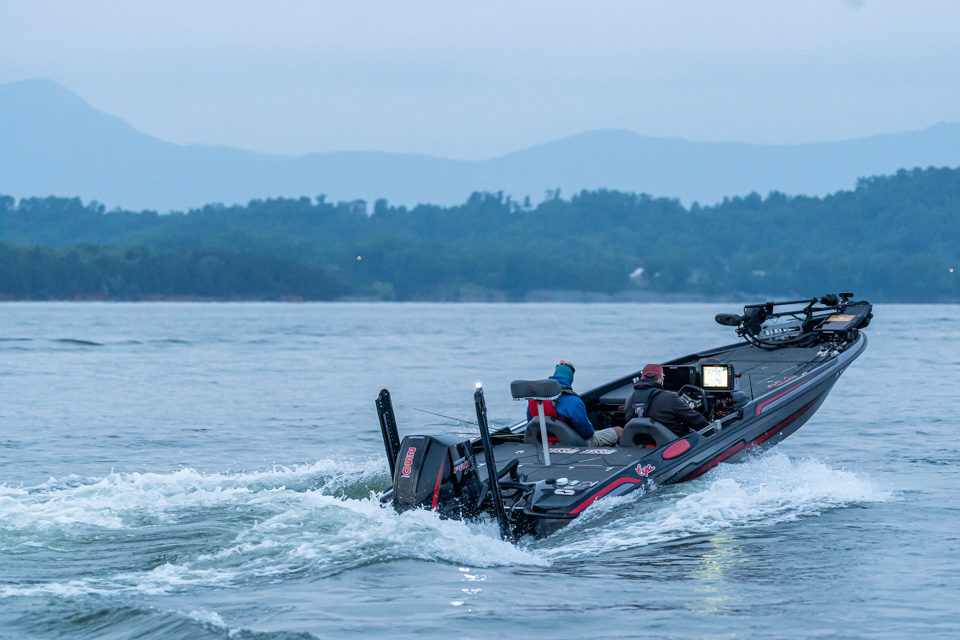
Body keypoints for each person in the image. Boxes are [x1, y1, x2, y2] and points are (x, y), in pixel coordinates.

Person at [526, 361, 622, 447]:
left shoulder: (534, 400)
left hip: (542, 444)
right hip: (573, 445)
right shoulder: (574, 402)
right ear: (570, 379)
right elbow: (587, 433)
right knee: (618, 431)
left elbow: (531, 424)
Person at [624, 364, 709, 436]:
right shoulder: (670, 398)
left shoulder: (629, 400)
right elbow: (697, 421)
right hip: (673, 445)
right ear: (661, 380)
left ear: (641, 378)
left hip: (639, 444)